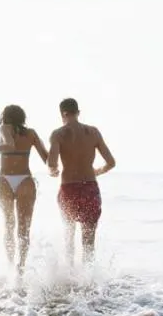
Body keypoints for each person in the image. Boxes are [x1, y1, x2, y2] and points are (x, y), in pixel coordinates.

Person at [0, 104, 49, 276]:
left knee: (9, 225)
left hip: (5, 180)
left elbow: (10, 146)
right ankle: (20, 268)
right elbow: (47, 158)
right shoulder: (31, 133)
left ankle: (10, 267)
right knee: (24, 228)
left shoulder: (4, 127)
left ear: (5, 117)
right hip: (25, 180)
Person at [47, 97, 116, 264]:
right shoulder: (93, 132)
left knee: (69, 236)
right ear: (78, 112)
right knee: (89, 240)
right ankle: (88, 281)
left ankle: (70, 279)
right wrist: (96, 172)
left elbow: (52, 163)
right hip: (90, 188)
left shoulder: (58, 134)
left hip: (68, 188)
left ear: (62, 114)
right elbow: (111, 163)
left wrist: (54, 171)